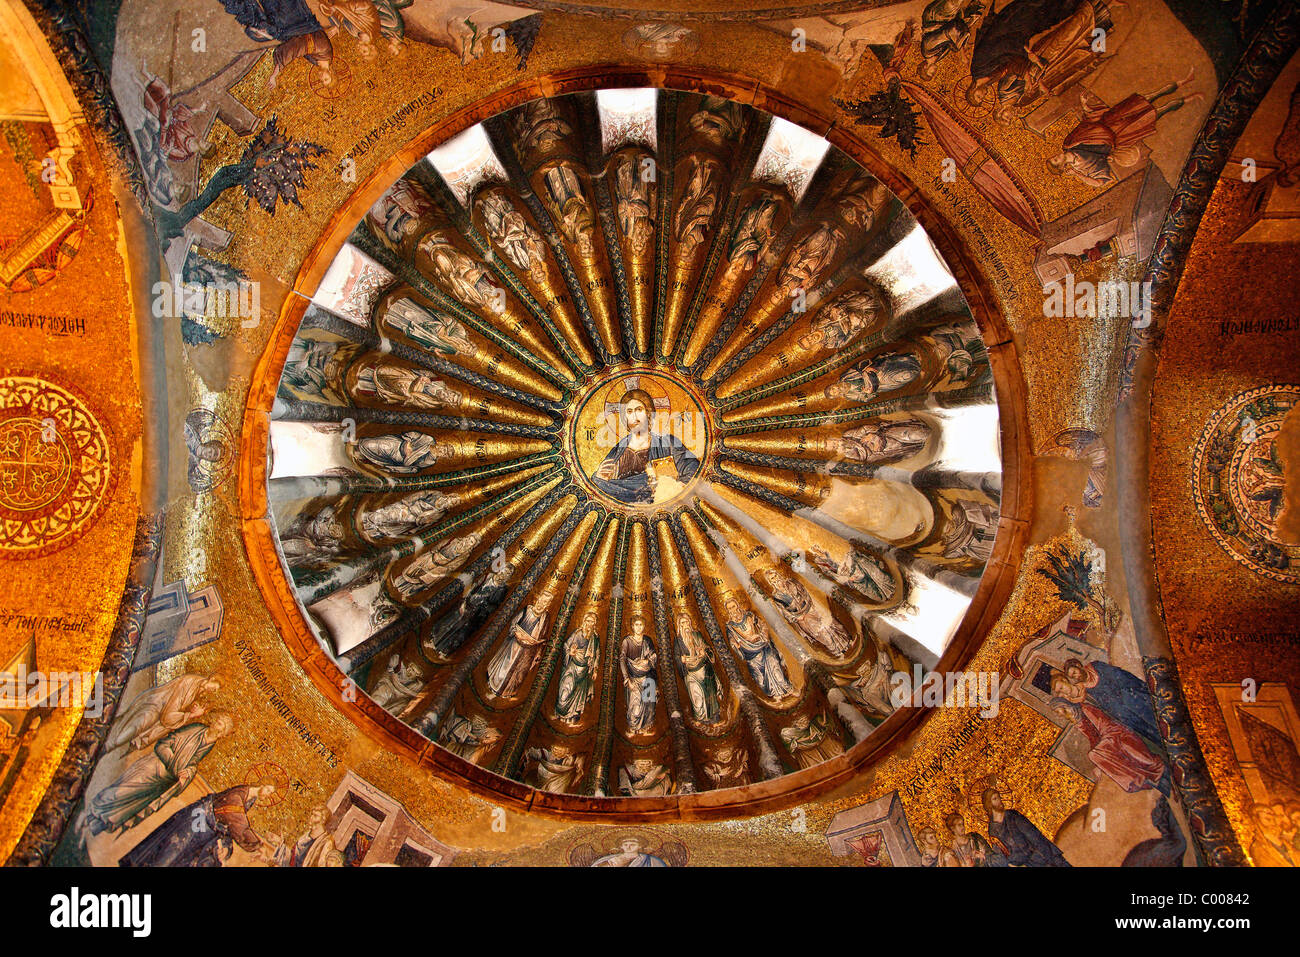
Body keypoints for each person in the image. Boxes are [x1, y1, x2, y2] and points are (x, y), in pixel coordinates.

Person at [85, 713, 234, 836]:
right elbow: (166, 742)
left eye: (220, 723)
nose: (215, 723)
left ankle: (100, 823)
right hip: (155, 766)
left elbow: (192, 763)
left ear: (223, 732)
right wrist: (175, 764)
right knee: (125, 789)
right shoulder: (197, 729)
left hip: (165, 781)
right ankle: (93, 809)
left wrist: (187, 772)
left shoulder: (210, 744)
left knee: (134, 803)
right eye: (218, 720)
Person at [119, 782, 277, 867]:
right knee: (171, 853)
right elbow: (237, 822)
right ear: (262, 784)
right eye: (269, 789)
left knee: (188, 860)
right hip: (198, 819)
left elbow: (229, 826)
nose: (268, 794)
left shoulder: (248, 800)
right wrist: (259, 846)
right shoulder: (238, 795)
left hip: (206, 828)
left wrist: (226, 847)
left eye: (271, 793)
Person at [592, 388, 699, 505]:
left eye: (639, 410)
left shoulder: (668, 443)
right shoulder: (618, 449)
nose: (634, 416)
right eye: (629, 411)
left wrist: (673, 489)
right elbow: (601, 485)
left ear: (648, 414)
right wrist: (599, 477)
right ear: (624, 417)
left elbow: (693, 470)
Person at [106, 672, 221, 754]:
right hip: (154, 708)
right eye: (214, 688)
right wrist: (192, 715)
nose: (213, 692)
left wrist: (191, 709)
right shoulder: (188, 682)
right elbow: (167, 717)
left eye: (215, 691)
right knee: (129, 731)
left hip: (158, 720)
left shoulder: (198, 690)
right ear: (211, 679)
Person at [724, 597, 795, 700]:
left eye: (733, 606)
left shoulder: (749, 616)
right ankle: (774, 695)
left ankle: (787, 688)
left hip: (763, 646)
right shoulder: (730, 626)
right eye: (729, 608)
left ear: (737, 606)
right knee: (760, 676)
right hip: (750, 654)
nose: (732, 610)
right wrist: (736, 645)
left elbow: (762, 625)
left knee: (775, 666)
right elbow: (732, 641)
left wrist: (762, 636)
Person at [485, 590, 551, 698]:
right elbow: (514, 624)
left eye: (544, 603)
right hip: (514, 646)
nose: (541, 604)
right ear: (537, 599)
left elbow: (543, 638)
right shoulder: (527, 611)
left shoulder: (545, 618)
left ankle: (509, 691)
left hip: (527, 654)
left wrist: (537, 650)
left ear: (547, 606)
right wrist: (517, 633)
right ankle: (494, 685)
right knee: (504, 667)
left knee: (518, 675)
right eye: (540, 601)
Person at [981, 787, 1070, 866]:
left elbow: (1034, 836)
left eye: (999, 797)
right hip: (1029, 862)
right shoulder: (992, 830)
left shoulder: (1012, 816)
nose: (999, 800)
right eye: (995, 799)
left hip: (1043, 855)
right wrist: (986, 856)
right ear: (989, 804)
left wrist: (1047, 859)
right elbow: (1002, 853)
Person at [674, 613, 721, 723]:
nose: (685, 625)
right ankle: (701, 719)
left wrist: (703, 651)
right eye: (682, 623)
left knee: (709, 696)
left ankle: (713, 719)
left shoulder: (697, 635)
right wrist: (682, 660)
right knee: (697, 700)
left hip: (703, 669)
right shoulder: (678, 641)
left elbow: (707, 649)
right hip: (690, 673)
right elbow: (676, 657)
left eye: (686, 622)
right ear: (679, 625)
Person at [555, 611, 600, 723]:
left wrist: (594, 669)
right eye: (588, 621)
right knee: (564, 693)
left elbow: (597, 654)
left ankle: (570, 718)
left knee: (578, 696)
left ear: (595, 624)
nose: (589, 624)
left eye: (592, 622)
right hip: (572, 667)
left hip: (584, 671)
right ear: (584, 621)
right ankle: (559, 714)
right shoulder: (577, 634)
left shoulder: (595, 637)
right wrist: (571, 652)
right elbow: (566, 646)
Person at [620, 616, 659, 732]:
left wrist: (646, 661)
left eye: (641, 625)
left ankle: (645, 728)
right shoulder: (627, 641)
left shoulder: (647, 640)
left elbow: (653, 657)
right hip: (634, 679)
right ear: (632, 626)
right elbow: (622, 659)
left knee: (649, 707)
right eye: (636, 625)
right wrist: (627, 678)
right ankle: (633, 728)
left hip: (648, 678)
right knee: (635, 708)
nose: (638, 627)